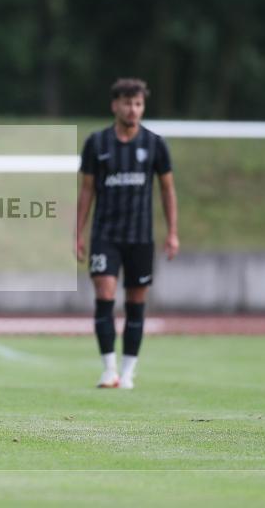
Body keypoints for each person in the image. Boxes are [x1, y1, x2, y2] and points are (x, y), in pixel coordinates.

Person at [75, 78, 179, 390]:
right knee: (104, 297)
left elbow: (167, 190)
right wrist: (78, 232)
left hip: (140, 239)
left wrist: (173, 232)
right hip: (106, 235)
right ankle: (109, 369)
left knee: (136, 304)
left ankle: (129, 371)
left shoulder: (155, 145)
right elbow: (87, 190)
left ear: (142, 107)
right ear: (115, 105)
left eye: (137, 104)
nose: (132, 109)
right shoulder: (97, 144)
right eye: (126, 103)